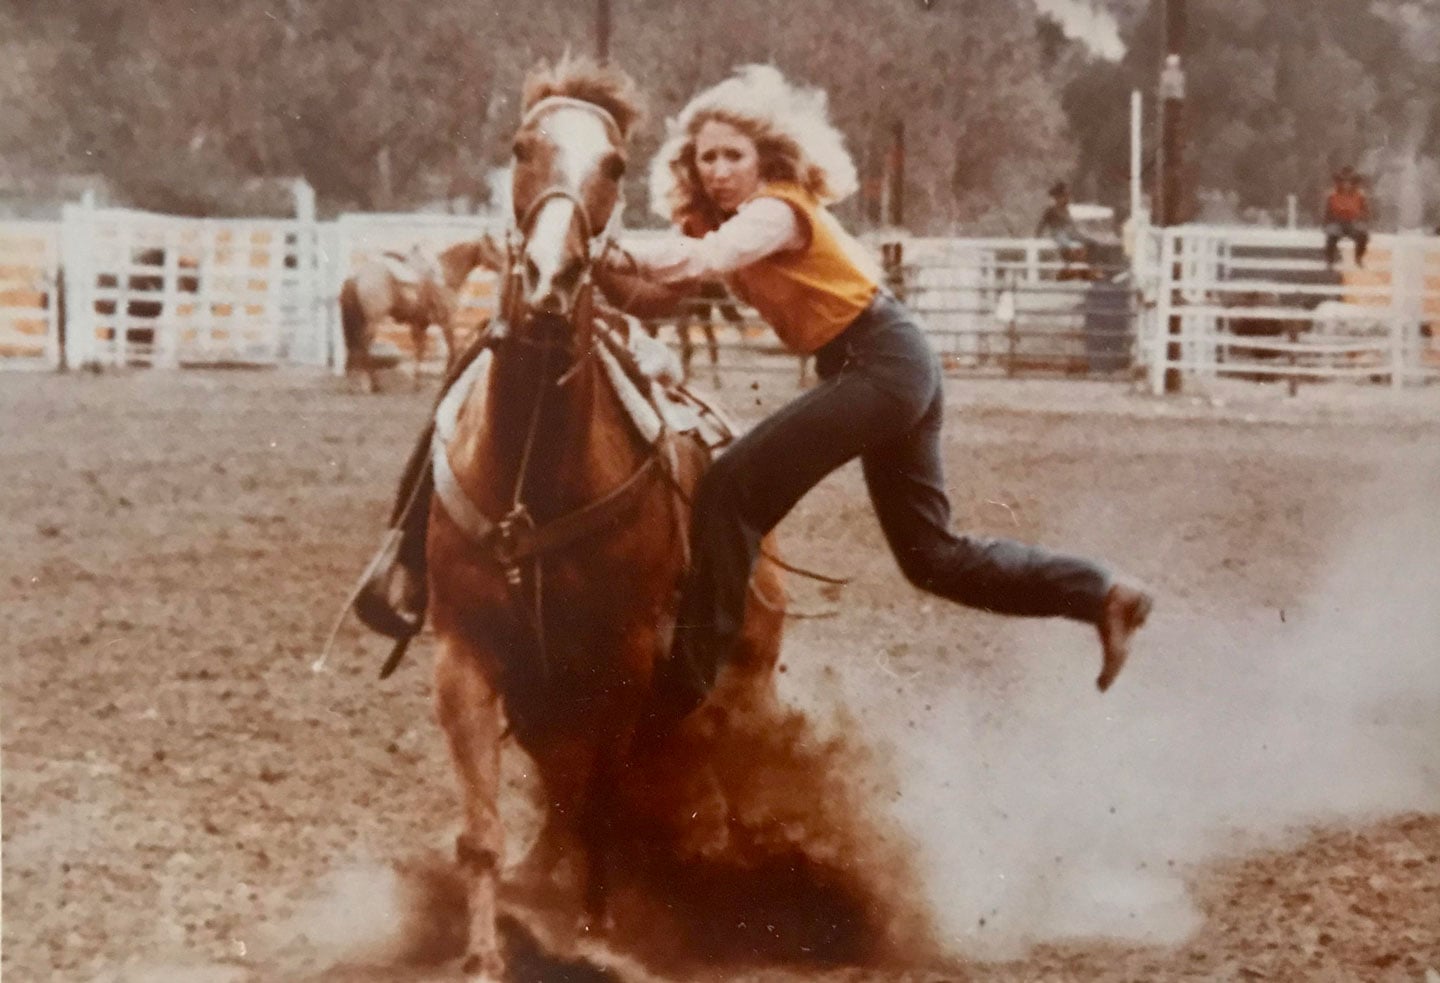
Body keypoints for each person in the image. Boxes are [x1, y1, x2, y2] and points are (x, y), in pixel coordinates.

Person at [596, 66, 1153, 732]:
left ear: (765, 158)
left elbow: (702, 262)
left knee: (731, 487)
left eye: (732, 155)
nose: (717, 169)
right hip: (891, 362)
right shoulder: (720, 224)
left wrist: (594, 241)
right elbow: (660, 294)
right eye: (705, 157)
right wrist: (585, 269)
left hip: (880, 361)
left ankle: (681, 694)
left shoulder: (776, 208)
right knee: (932, 557)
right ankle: (1103, 591)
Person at [1036, 180, 1090, 274]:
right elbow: (1042, 224)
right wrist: (1038, 236)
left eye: (1067, 196)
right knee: (1064, 243)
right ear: (1057, 197)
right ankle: (1070, 262)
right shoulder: (1051, 210)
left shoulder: (1066, 209)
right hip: (1058, 231)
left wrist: (1077, 232)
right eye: (1064, 196)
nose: (1067, 198)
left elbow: (1071, 224)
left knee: (1085, 239)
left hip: (1069, 231)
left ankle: (1084, 260)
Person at [1323, 167, 1370, 269]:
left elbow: (1365, 212)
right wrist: (1328, 224)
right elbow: (1327, 213)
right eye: (1343, 181)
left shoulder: (1360, 195)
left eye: (1349, 181)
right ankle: (1330, 261)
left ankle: (1358, 258)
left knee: (1363, 235)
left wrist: (1360, 219)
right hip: (1337, 221)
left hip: (1353, 222)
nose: (1346, 184)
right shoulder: (1332, 195)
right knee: (1331, 235)